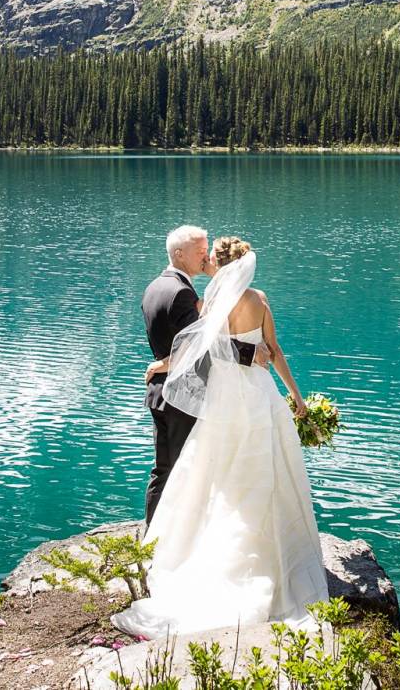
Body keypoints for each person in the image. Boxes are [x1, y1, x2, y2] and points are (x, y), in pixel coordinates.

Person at [116, 235, 329, 638]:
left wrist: (163, 365)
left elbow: (201, 346)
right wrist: (296, 398)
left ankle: (201, 551)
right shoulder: (259, 300)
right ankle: (270, 557)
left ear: (222, 264)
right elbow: (274, 350)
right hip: (258, 396)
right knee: (265, 471)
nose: (206, 258)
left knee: (212, 474)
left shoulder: (211, 301)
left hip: (223, 400)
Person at [141, 225, 272, 524]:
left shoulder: (156, 287)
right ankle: (164, 537)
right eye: (199, 252)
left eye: (206, 251)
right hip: (180, 396)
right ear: (178, 254)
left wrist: (161, 364)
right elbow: (201, 343)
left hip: (161, 393)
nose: (205, 257)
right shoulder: (181, 294)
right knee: (181, 470)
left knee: (165, 469)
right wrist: (250, 352)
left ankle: (154, 536)